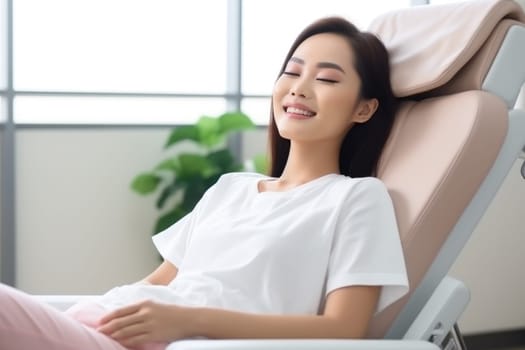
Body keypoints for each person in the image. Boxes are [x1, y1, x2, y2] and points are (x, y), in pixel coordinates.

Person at [0, 16, 408, 350]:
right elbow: (157, 284)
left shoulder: (356, 197)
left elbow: (344, 330)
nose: (299, 88)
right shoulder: (231, 188)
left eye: (327, 79)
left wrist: (188, 321)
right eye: (292, 71)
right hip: (109, 327)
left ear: (364, 109)